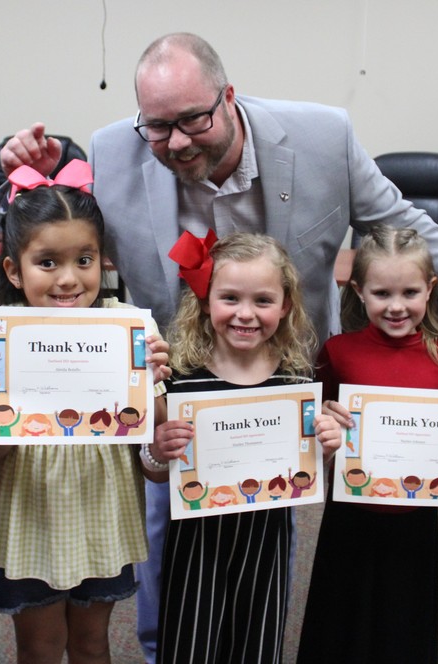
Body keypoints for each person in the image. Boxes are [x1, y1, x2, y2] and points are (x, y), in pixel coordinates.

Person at [0, 32, 438, 660]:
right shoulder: (118, 148)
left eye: (193, 120)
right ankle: (161, 649)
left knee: (267, 519)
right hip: (177, 370)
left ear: (228, 98)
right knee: (168, 520)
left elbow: (401, 224)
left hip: (284, 367)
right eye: (159, 126)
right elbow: (56, 236)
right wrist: (26, 179)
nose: (176, 142)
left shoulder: (322, 138)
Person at [0, 160, 172, 664]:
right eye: (48, 262)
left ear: (104, 261)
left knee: (93, 644)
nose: (69, 279)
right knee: (38, 647)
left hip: (101, 510)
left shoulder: (128, 325)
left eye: (84, 259)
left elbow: (155, 433)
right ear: (14, 270)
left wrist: (154, 385)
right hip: (28, 512)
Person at [147, 232, 342, 663]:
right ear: (204, 299)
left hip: (266, 539)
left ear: (286, 305)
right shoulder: (180, 377)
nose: (246, 314)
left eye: (263, 301)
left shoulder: (295, 381)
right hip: (196, 540)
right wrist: (159, 450)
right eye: (230, 298)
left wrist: (328, 445)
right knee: (188, 642)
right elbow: (154, 469)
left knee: (257, 641)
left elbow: (308, 470)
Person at [296, 225, 438, 663]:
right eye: (381, 293)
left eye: (410, 292)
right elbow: (319, 425)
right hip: (350, 509)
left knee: (403, 620)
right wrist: (324, 432)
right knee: (341, 616)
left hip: (414, 514)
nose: (396, 306)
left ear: (430, 290)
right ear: (359, 290)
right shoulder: (338, 351)